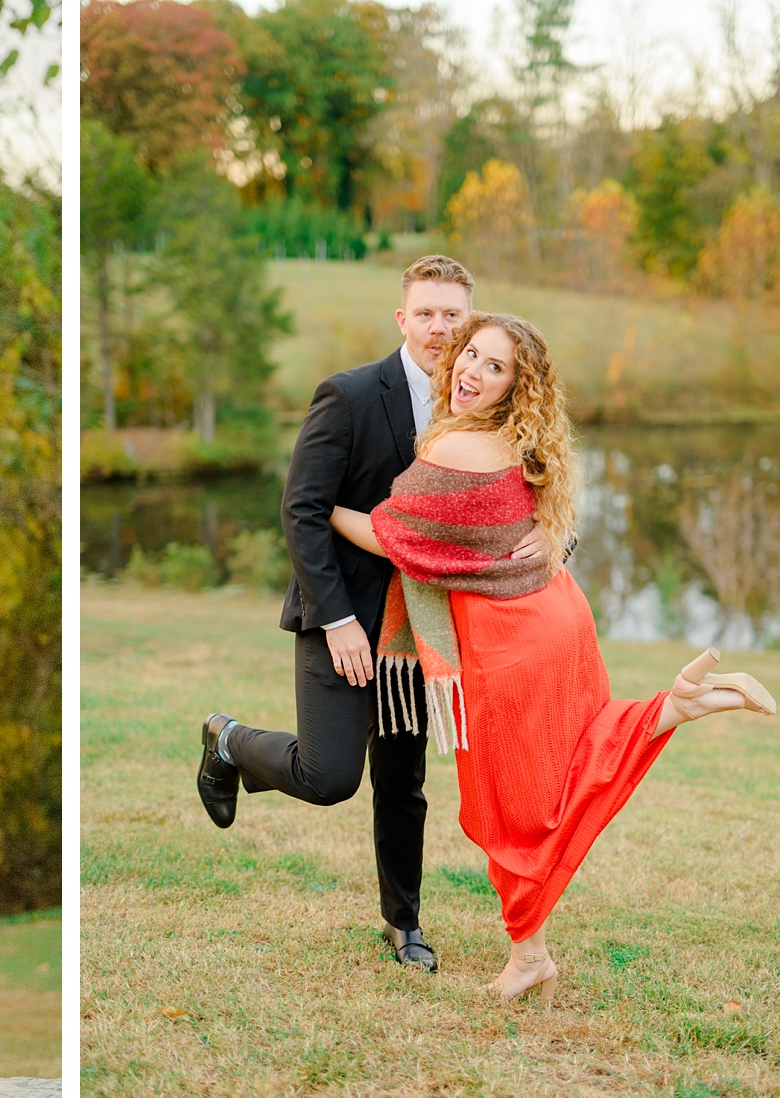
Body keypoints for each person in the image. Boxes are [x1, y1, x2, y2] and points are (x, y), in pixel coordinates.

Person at [326, 312, 775, 1004]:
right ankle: (674, 707)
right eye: (470, 354)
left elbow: (393, 535)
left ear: (516, 386)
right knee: (548, 778)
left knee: (513, 804)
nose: (471, 370)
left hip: (511, 645)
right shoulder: (515, 443)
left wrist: (320, 507)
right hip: (555, 616)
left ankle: (529, 954)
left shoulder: (457, 452)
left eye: (493, 366)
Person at [194, 255, 540, 973]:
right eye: (427, 313)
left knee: (403, 780)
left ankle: (403, 924)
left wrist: (554, 535)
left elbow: (534, 492)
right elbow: (302, 510)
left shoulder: (481, 407)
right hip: (343, 618)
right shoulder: (349, 395)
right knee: (330, 778)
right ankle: (226, 742)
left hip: (419, 632)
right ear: (402, 318)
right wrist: (337, 620)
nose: (442, 329)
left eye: (455, 316)